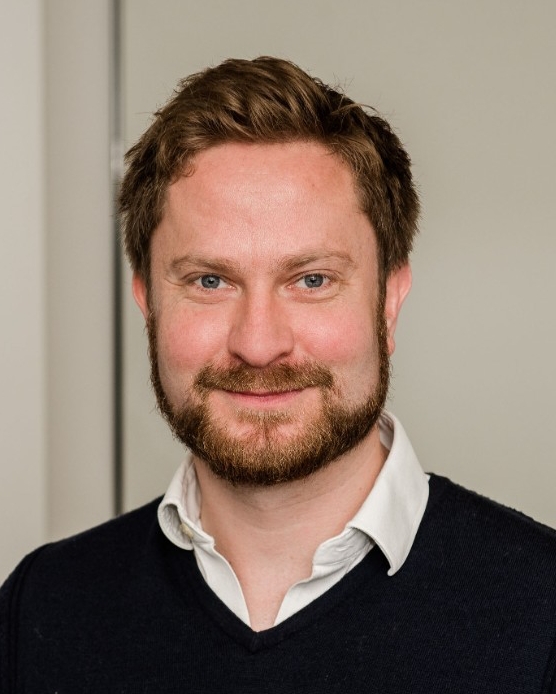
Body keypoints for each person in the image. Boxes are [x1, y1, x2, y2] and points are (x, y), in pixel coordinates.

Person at [1, 56, 555, 693]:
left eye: (311, 280)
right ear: (147, 301)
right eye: (210, 281)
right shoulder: (40, 609)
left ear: (389, 301)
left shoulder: (543, 616)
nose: (258, 344)